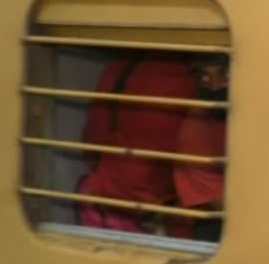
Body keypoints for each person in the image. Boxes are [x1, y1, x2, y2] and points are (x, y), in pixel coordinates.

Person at [78, 52, 196, 237]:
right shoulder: (180, 79)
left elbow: (89, 138)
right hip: (146, 205)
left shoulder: (115, 66)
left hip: (96, 195)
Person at [173, 53, 229, 242]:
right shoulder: (195, 132)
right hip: (215, 225)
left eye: (226, 74)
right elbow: (226, 205)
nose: (215, 86)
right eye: (205, 77)